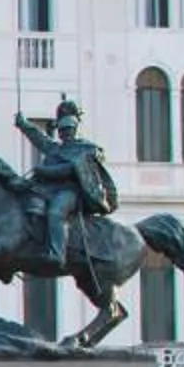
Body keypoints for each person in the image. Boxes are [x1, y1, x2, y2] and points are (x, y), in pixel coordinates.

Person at [13, 98, 118, 272]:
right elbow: (39, 138)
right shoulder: (57, 149)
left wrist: (45, 171)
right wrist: (23, 124)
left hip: (72, 192)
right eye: (62, 129)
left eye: (68, 128)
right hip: (50, 189)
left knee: (56, 211)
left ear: (76, 128)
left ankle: (57, 253)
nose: (65, 133)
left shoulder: (87, 149)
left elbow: (72, 169)